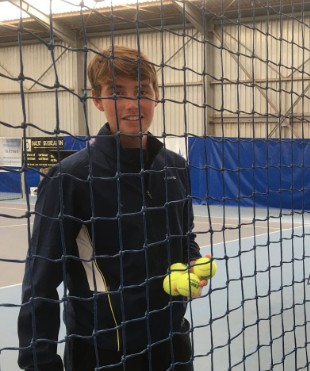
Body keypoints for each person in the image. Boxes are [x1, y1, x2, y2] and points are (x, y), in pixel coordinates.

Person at [18, 46, 207, 370]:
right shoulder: (70, 179)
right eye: (117, 92)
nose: (133, 104)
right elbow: (40, 284)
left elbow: (184, 235)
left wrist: (190, 260)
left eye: (142, 91)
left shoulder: (175, 168)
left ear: (157, 95)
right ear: (97, 98)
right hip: (104, 355)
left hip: (173, 347)